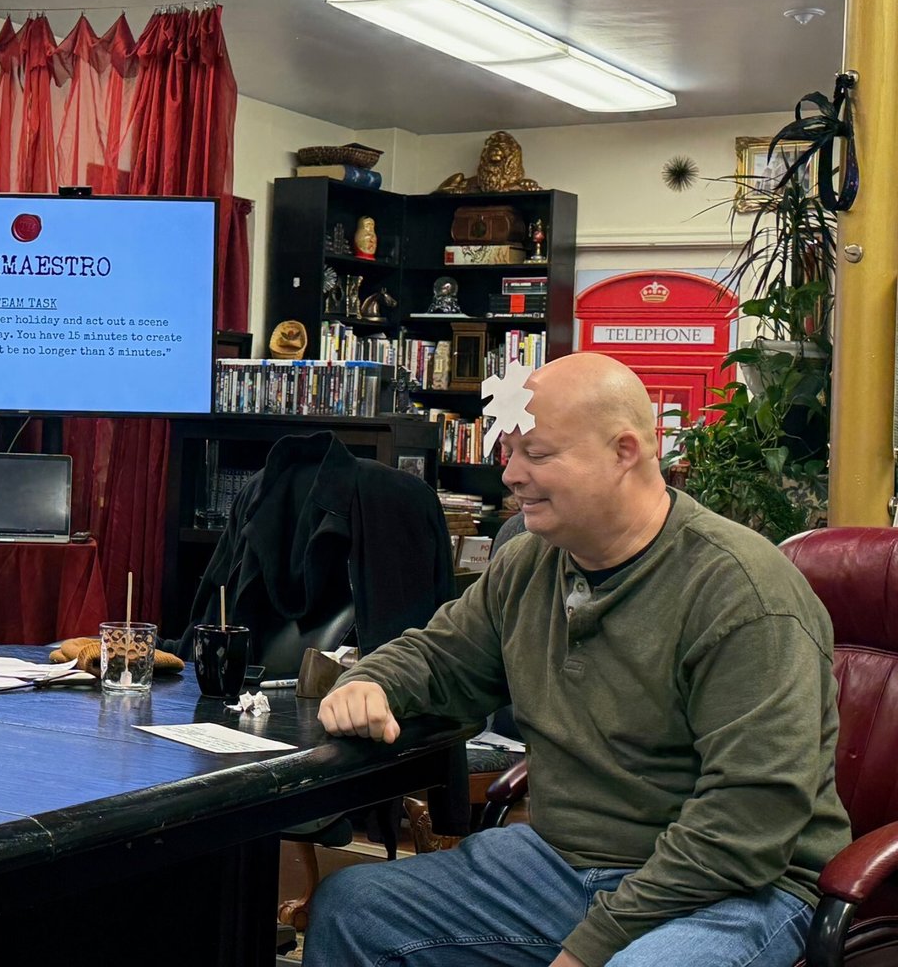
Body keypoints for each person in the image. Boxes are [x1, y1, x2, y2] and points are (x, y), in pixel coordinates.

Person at [307, 352, 848, 967]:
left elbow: (749, 820)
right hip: (562, 866)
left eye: (537, 455)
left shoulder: (742, 594)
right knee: (355, 910)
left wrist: (593, 946)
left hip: (736, 887)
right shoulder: (528, 562)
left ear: (624, 452)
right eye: (509, 453)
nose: (511, 475)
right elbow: (443, 656)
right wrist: (373, 680)